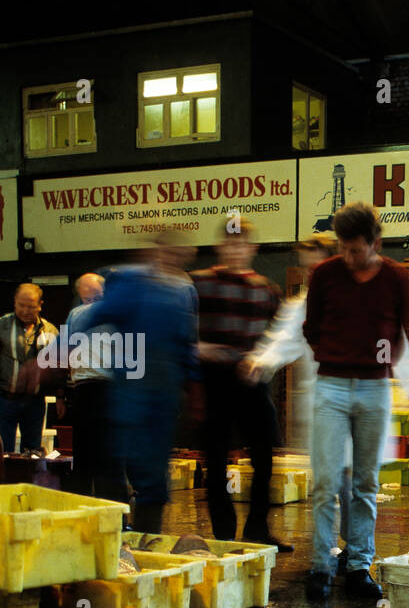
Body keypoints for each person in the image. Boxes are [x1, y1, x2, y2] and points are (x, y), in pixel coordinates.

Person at [303, 201, 409, 601]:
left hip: (375, 388)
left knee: (366, 482)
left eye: (356, 250)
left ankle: (358, 567)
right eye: (342, 248)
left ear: (376, 243)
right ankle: (320, 566)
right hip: (330, 386)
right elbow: (311, 327)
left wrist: (375, 364)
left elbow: (401, 329)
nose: (348, 257)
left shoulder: (397, 278)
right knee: (326, 480)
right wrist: (336, 357)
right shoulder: (324, 275)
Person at [240, 234, 353, 564]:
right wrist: (260, 361)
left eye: (317, 266)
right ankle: (327, 553)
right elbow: (282, 340)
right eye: (306, 268)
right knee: (328, 481)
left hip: (355, 402)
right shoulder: (299, 306)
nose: (311, 273)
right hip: (320, 405)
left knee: (350, 479)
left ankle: (354, 548)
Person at [80, 236, 201, 533]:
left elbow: (188, 344)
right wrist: (56, 352)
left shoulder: (184, 291)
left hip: (164, 394)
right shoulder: (130, 281)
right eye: (169, 252)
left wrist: (195, 388)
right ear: (155, 251)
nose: (173, 259)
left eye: (180, 255)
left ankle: (149, 538)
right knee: (116, 460)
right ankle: (114, 534)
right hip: (130, 390)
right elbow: (95, 316)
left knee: (153, 472)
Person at [193, 220, 291, 550]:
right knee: (216, 459)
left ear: (252, 248)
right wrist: (200, 348)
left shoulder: (266, 289)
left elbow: (278, 339)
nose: (235, 250)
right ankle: (223, 534)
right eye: (230, 244)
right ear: (220, 246)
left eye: (241, 244)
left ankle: (257, 529)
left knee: (264, 457)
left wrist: (263, 361)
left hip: (253, 380)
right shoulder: (201, 284)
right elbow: (182, 330)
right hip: (215, 381)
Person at [64, 273, 126, 500]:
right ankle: (91, 508)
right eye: (87, 300)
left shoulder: (81, 315)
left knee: (104, 455)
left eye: (96, 299)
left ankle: (111, 508)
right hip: (87, 389)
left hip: (107, 389)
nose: (91, 305)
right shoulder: (78, 315)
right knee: (89, 455)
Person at [0, 284, 58, 453]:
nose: (25, 310)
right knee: (3, 450)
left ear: (40, 305)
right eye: (21, 305)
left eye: (31, 306)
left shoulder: (50, 330)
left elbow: (58, 367)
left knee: (33, 451)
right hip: (5, 398)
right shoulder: (2, 325)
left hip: (35, 401)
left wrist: (60, 397)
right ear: (14, 302)